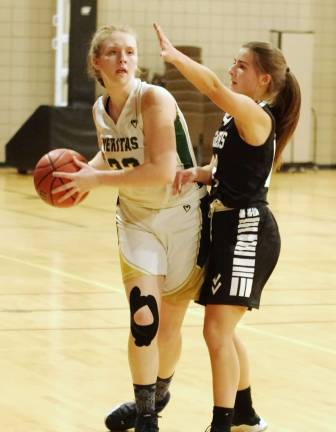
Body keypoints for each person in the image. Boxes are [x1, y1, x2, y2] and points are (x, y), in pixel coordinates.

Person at [52, 25, 210, 432]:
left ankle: (158, 395)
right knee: (145, 319)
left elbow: (162, 171)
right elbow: (112, 152)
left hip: (184, 215)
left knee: (171, 328)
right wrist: (86, 171)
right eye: (114, 52)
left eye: (130, 52)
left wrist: (95, 182)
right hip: (137, 219)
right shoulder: (100, 108)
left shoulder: (155, 98)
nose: (124, 59)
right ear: (96, 62)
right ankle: (145, 419)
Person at [153, 23, 301, 432]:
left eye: (242, 65)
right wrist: (196, 174)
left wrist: (175, 57)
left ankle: (222, 424)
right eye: (232, 64)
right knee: (225, 331)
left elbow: (215, 87)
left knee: (216, 331)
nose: (233, 70)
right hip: (226, 227)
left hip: (249, 232)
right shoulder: (234, 118)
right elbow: (224, 170)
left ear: (264, 79)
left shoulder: (253, 113)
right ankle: (246, 414)